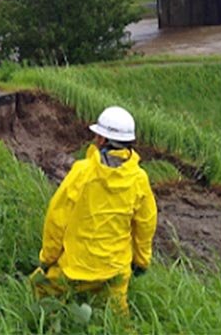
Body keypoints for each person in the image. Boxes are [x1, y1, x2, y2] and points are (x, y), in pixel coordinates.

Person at [31, 106, 157, 313]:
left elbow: (56, 219)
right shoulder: (139, 179)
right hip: (115, 272)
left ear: (101, 140)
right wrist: (141, 262)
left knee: (40, 290)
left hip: (75, 269)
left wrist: (47, 259)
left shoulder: (82, 171)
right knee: (117, 317)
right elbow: (146, 224)